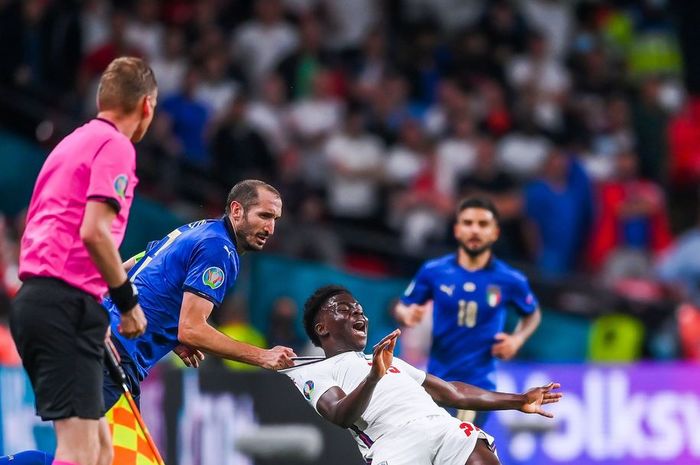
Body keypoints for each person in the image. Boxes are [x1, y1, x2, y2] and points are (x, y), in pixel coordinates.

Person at [1, 180, 296, 465]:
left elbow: (133, 267)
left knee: (92, 457)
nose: (270, 227)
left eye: (275, 219)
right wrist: (262, 356)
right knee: (92, 457)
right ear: (236, 210)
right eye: (264, 215)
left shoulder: (198, 230)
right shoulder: (220, 250)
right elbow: (192, 328)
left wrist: (169, 330)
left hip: (100, 346)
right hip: (108, 354)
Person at [9, 57, 156, 465]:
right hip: (63, 304)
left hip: (53, 300)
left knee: (101, 453)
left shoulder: (71, 142)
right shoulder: (116, 146)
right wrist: (127, 304)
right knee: (78, 453)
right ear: (146, 105)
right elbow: (94, 232)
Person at [284, 285, 561, 465]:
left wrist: (518, 400)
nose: (358, 311)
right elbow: (339, 414)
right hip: (393, 446)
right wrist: (373, 378)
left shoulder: (386, 361)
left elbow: (450, 392)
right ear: (322, 329)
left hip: (440, 426)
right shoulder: (315, 370)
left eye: (359, 308)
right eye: (344, 308)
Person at [394, 197, 541, 427]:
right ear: (457, 230)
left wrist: (517, 339)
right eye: (468, 223)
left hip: (477, 387)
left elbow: (532, 313)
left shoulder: (509, 279)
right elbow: (404, 305)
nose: (475, 230)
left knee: (456, 448)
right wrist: (407, 315)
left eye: (483, 224)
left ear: (494, 233)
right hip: (437, 383)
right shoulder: (434, 271)